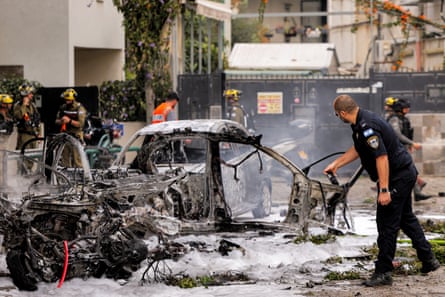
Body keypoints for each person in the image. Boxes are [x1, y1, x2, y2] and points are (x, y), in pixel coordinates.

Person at [323, 94, 440, 287]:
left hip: (397, 177)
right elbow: (359, 148)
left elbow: (382, 157)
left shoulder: (367, 126)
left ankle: (383, 272)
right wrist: (337, 164)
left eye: (337, 115)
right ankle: (429, 260)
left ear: (343, 112)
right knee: (406, 219)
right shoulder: (362, 122)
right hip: (404, 173)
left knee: (386, 223)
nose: (339, 118)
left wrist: (384, 190)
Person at [387, 98, 431, 201]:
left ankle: (417, 192)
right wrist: (411, 143)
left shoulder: (404, 119)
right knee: (404, 172)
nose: (408, 110)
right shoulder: (394, 119)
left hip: (403, 150)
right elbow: (397, 135)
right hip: (395, 151)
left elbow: (407, 133)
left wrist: (410, 145)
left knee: (411, 170)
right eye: (406, 108)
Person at [55, 88, 87, 167]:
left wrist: (69, 121)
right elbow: (56, 121)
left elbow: (81, 124)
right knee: (65, 160)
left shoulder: (79, 108)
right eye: (66, 100)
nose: (67, 101)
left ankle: (81, 176)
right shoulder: (63, 107)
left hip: (76, 136)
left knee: (77, 160)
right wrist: (61, 121)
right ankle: (66, 177)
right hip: (65, 136)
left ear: (73, 99)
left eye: (69, 100)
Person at [13, 83, 40, 173]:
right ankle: (22, 174)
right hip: (24, 136)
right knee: (23, 157)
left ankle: (29, 173)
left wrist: (38, 133)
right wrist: (24, 105)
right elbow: (20, 116)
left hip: (33, 135)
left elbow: (36, 119)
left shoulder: (32, 106)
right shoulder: (18, 106)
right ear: (25, 94)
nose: (32, 95)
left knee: (32, 157)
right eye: (30, 93)